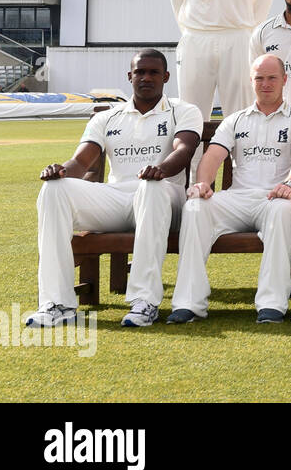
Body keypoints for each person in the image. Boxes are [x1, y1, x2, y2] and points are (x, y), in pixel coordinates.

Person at [26, 50, 201, 328]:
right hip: (118, 199)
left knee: (151, 187)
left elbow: (184, 149)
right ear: (129, 76)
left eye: (153, 72)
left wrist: (161, 170)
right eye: (139, 72)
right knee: (54, 190)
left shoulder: (184, 110)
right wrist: (61, 171)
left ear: (166, 77)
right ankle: (57, 303)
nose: (146, 78)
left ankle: (144, 301)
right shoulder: (107, 117)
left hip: (166, 197)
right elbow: (81, 161)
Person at [167, 55, 291, 324]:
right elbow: (213, 156)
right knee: (195, 206)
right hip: (238, 198)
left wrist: (290, 183)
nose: (266, 83)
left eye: (272, 77)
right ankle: (189, 303)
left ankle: (271, 304)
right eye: (259, 78)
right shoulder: (235, 120)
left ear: (284, 80)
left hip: (278, 197)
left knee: (282, 210)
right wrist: (203, 183)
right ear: (252, 81)